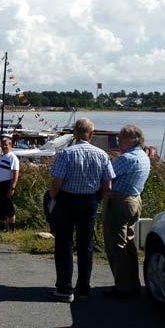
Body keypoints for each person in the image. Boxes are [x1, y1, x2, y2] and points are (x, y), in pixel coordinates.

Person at [47, 118, 115, 302]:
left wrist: (55, 198)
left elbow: (56, 183)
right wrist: (97, 199)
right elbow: (108, 186)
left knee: (64, 244)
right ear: (91, 134)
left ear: (75, 133)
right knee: (86, 245)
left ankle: (64, 288)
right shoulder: (102, 155)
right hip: (90, 201)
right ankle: (83, 288)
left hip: (67, 200)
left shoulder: (65, 154)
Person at [102, 126, 150, 298]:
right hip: (134, 200)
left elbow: (105, 174)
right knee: (129, 244)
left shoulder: (127, 158)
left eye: (121, 138)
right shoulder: (143, 156)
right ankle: (132, 283)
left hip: (120, 201)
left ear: (133, 140)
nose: (118, 142)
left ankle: (123, 286)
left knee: (116, 245)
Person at [0, 137, 20, 232]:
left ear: (10, 146)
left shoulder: (12, 157)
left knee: (9, 207)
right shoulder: (0, 157)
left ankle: (12, 227)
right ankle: (2, 226)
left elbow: (15, 173)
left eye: (6, 145)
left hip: (7, 184)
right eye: (2, 144)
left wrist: (12, 187)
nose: (4, 146)